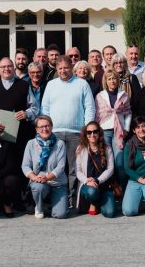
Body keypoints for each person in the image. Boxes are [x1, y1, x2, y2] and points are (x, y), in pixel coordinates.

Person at [40, 55, 95, 206]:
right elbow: (45, 108)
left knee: (73, 168)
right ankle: (55, 199)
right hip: (55, 133)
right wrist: (46, 129)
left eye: (66, 68)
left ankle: (71, 199)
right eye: (60, 68)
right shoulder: (51, 85)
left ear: (72, 67)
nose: (63, 71)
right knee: (54, 167)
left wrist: (87, 129)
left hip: (76, 133)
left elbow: (89, 107)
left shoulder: (82, 84)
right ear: (56, 69)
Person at [0, 58, 38, 151]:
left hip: (20, 136)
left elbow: (34, 107)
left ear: (14, 68)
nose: (6, 69)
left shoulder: (24, 85)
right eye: (3, 67)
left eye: (9, 66)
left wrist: (26, 114)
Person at [23, 115, 69, 219]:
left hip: (57, 183)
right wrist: (34, 177)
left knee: (60, 214)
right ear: (36, 129)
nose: (45, 129)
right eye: (41, 127)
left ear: (52, 127)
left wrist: (47, 178)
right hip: (38, 182)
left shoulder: (60, 144)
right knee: (38, 187)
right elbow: (25, 166)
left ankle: (50, 205)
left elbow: (61, 166)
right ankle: (39, 207)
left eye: (47, 126)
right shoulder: (30, 144)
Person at [76, 120, 117, 217]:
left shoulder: (107, 148)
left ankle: (99, 203)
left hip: (103, 185)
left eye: (95, 131)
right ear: (86, 134)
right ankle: (93, 202)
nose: (92, 134)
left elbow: (110, 169)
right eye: (89, 132)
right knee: (92, 191)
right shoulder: (81, 149)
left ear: (99, 133)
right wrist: (87, 181)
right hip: (88, 185)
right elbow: (78, 170)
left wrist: (98, 180)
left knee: (110, 213)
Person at [95, 69, 132, 166]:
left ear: (118, 80)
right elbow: (98, 114)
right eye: (109, 79)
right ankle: (110, 181)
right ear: (106, 81)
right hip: (105, 130)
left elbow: (128, 112)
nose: (112, 81)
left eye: (114, 78)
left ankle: (121, 181)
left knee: (119, 161)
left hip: (119, 131)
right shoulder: (100, 96)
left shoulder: (123, 95)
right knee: (106, 160)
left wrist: (126, 129)